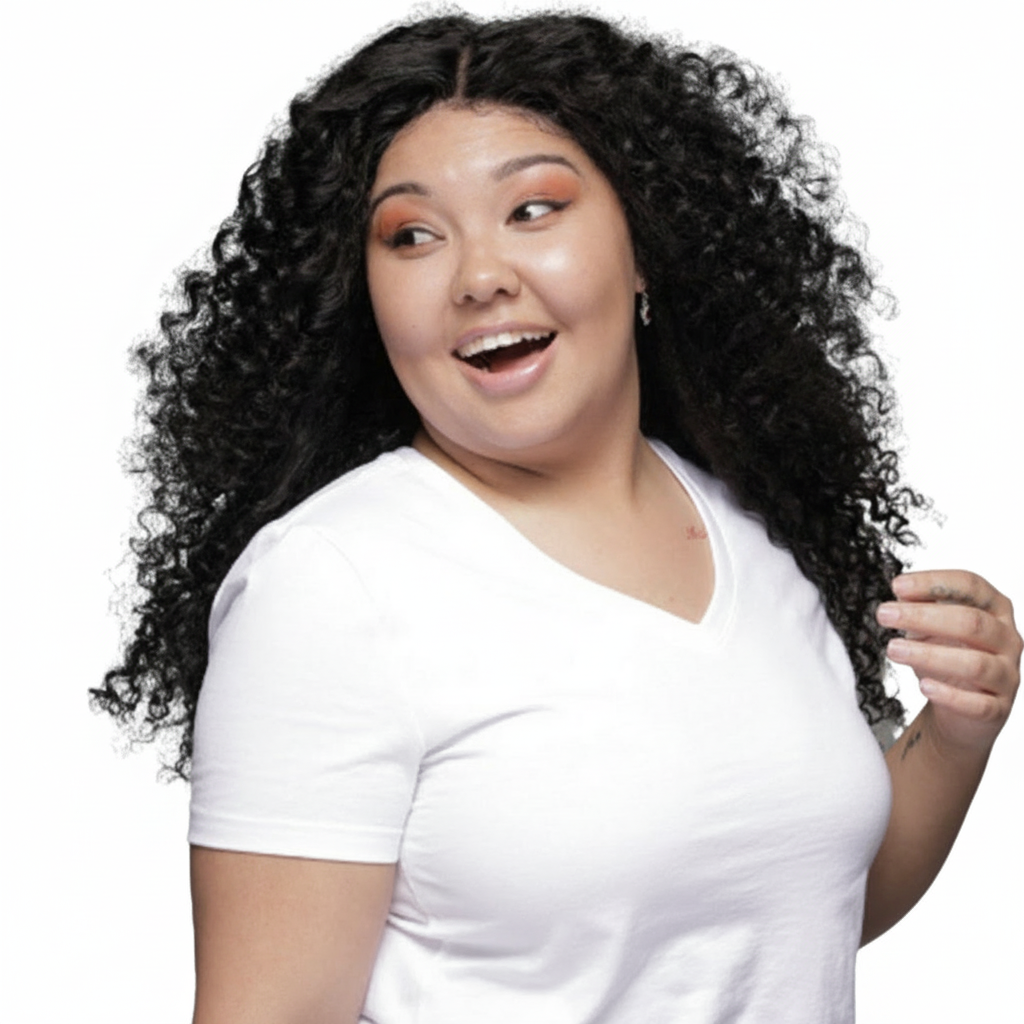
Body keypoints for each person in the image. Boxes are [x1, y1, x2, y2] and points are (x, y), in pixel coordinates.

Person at [92, 11, 1020, 1023]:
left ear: (643, 246)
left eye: (532, 210)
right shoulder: (328, 584)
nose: (478, 276)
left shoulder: (756, 529)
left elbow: (799, 913)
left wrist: (956, 735)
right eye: (412, 236)